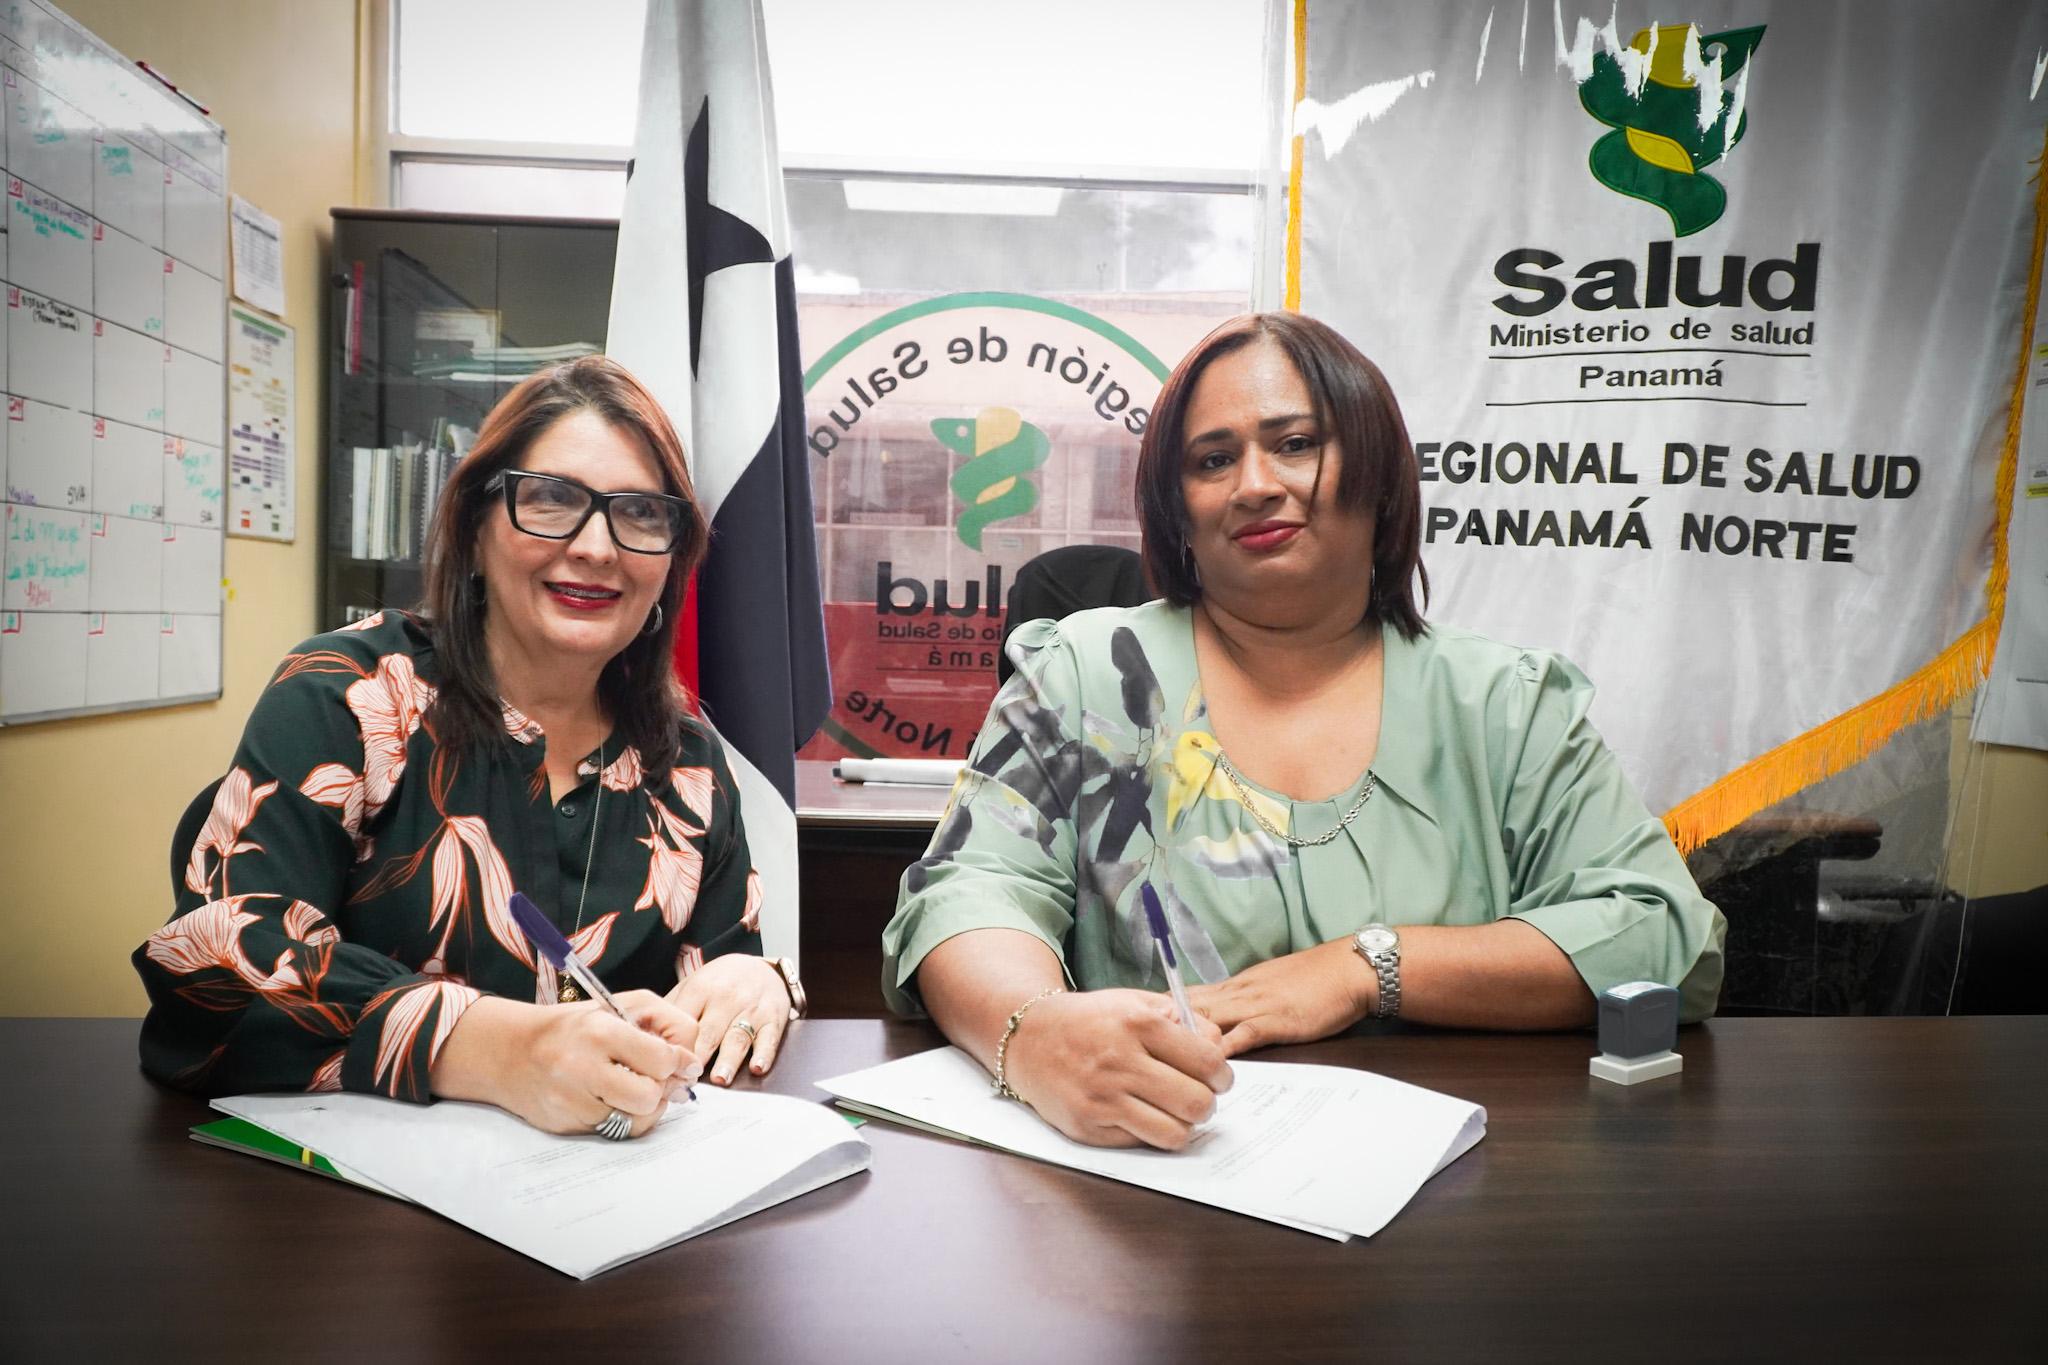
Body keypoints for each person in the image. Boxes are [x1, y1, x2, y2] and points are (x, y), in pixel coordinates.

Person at [881, 312, 1725, 1151]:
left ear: (1378, 474)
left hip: (1452, 1182)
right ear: (1178, 509)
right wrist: (1033, 1031)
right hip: (1155, 1166)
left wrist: (1366, 967)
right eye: (1213, 460)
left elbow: (1661, 934)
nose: (1254, 484)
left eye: (1294, 444)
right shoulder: (1086, 673)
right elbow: (966, 895)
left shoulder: (1504, 702)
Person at [135, 357, 805, 1141]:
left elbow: (712, 1023)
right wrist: (498, 1049)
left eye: (641, 514)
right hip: (359, 1201)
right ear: (476, 525)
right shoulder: (352, 696)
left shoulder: (687, 762)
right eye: (551, 499)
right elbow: (213, 971)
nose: (598, 547)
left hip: (609, 1193)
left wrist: (755, 981)